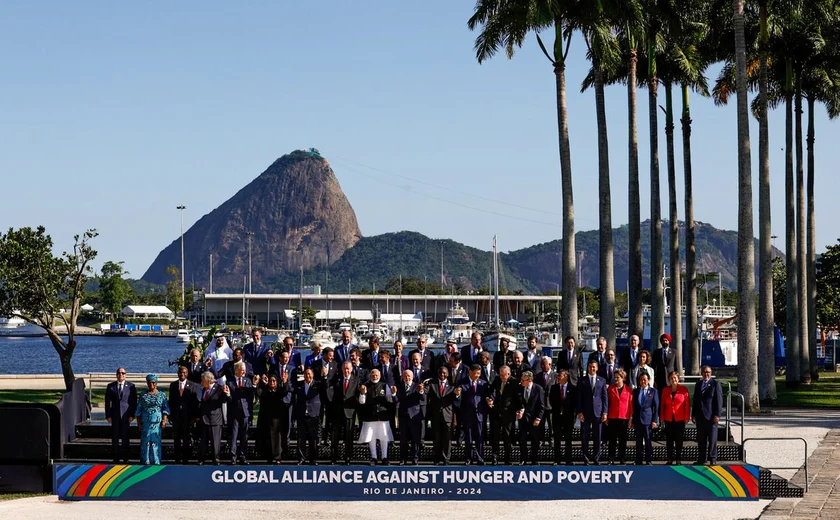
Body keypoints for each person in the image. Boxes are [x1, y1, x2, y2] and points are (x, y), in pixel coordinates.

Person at [358, 369, 394, 465]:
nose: (375, 376)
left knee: (384, 437)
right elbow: (362, 402)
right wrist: (362, 393)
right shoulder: (365, 385)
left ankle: (384, 457)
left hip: (382, 415)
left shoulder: (384, 385)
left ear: (380, 375)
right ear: (370, 376)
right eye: (373, 375)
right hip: (370, 415)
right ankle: (374, 457)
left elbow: (389, 400)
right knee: (371, 437)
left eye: (377, 375)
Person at [327, 361, 360, 464]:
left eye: (348, 369)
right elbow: (330, 392)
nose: (346, 371)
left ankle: (348, 457)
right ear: (342, 369)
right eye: (344, 368)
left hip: (349, 412)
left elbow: (358, 395)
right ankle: (334, 457)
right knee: (335, 436)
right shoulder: (337, 379)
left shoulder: (356, 380)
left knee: (348, 436)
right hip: (337, 411)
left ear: (351, 369)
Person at [577, 360, 608, 465]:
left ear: (597, 368)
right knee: (585, 436)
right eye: (590, 367)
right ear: (588, 368)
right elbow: (579, 398)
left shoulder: (602, 380)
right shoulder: (582, 380)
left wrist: (605, 412)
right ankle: (585, 458)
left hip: (598, 413)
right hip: (585, 413)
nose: (592, 369)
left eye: (594, 367)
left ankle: (596, 458)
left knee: (597, 436)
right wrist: (580, 412)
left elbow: (604, 398)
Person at [456, 365, 489, 465]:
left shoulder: (483, 383)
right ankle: (468, 458)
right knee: (468, 438)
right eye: (476, 373)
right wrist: (457, 395)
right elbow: (458, 400)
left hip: (479, 415)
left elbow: (486, 397)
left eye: (479, 373)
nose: (477, 375)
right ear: (470, 372)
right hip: (467, 415)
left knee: (479, 437)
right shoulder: (462, 383)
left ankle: (480, 458)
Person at [255, 373, 291, 464]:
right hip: (266, 420)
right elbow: (258, 393)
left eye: (274, 381)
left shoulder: (279, 390)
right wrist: (258, 383)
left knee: (277, 439)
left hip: (277, 419)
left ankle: (278, 457)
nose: (272, 382)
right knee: (267, 439)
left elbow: (286, 391)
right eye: (270, 380)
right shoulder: (265, 390)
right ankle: (269, 457)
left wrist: (285, 382)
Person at [290, 368, 323, 465]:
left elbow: (326, 386)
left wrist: (324, 376)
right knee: (301, 438)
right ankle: (301, 458)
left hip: (313, 414)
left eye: (309, 374)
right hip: (301, 415)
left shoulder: (318, 384)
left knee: (313, 439)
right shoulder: (299, 385)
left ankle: (313, 459)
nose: (307, 376)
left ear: (312, 374)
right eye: (305, 374)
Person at [196, 371, 230, 465]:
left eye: (202, 380)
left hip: (215, 420)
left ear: (208, 380)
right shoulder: (203, 390)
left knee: (215, 442)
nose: (201, 382)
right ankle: (202, 459)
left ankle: (216, 459)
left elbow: (225, 399)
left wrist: (227, 394)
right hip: (204, 420)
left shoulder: (219, 388)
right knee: (203, 442)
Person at [226, 361, 257, 465]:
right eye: (241, 370)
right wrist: (228, 394)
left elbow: (251, 394)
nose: (244, 371)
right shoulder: (229, 382)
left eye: (244, 370)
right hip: (234, 412)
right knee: (234, 435)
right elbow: (229, 399)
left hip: (245, 412)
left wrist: (254, 385)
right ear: (236, 370)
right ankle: (233, 456)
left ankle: (243, 456)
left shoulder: (248, 381)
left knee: (244, 435)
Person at [692, 365, 723, 465]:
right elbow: (695, 400)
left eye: (708, 372)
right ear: (701, 373)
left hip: (711, 416)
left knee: (712, 439)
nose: (706, 374)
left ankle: (712, 459)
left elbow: (719, 401)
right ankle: (701, 459)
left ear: (711, 373)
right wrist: (693, 414)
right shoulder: (698, 384)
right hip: (700, 416)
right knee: (701, 439)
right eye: (704, 372)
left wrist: (717, 414)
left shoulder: (715, 384)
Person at [394, 369, 426, 465]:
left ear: (412, 377)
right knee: (403, 439)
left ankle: (415, 458)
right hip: (403, 416)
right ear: (403, 377)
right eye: (405, 376)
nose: (407, 378)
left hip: (414, 416)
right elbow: (396, 400)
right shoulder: (399, 387)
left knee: (415, 439)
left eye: (409, 376)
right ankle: (403, 459)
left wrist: (421, 391)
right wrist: (393, 394)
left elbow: (423, 398)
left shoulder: (417, 386)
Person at [487, 365, 518, 464]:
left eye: (503, 375)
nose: (501, 377)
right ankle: (494, 457)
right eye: (500, 375)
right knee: (495, 436)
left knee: (507, 436)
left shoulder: (514, 382)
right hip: (496, 411)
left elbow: (517, 397)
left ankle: (507, 458)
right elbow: (491, 391)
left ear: (508, 374)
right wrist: (489, 398)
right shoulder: (497, 379)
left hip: (508, 413)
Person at [105, 367, 137, 463]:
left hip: (126, 416)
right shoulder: (111, 386)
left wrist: (132, 415)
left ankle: (125, 459)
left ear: (125, 375)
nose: (121, 375)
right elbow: (107, 402)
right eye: (119, 373)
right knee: (115, 438)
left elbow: (133, 402)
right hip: (114, 416)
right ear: (116, 375)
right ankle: (116, 459)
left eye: (123, 373)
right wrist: (108, 415)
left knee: (125, 438)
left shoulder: (131, 386)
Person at [136, 374, 169, 465]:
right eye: (149, 383)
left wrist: (164, 421)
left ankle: (156, 461)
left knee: (155, 442)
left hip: (157, 423)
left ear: (156, 383)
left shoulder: (161, 395)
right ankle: (145, 460)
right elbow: (139, 409)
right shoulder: (143, 395)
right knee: (146, 442)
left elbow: (165, 409)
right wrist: (138, 423)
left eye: (153, 382)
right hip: (146, 422)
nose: (151, 384)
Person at [428, 366, 458, 465]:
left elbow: (456, 402)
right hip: (436, 416)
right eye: (440, 373)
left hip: (448, 416)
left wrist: (457, 395)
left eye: (444, 373)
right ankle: (436, 459)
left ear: (448, 374)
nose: (442, 375)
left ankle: (446, 459)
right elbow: (426, 394)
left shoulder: (453, 386)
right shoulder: (432, 385)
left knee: (447, 439)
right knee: (436, 439)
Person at [169, 365, 198, 464]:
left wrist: (194, 416)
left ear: (187, 374)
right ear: (178, 373)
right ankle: (177, 459)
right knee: (176, 438)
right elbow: (171, 402)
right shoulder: (173, 385)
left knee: (186, 439)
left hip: (187, 417)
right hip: (176, 417)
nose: (182, 374)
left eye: (184, 372)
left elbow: (195, 402)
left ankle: (185, 459)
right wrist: (170, 416)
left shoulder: (193, 385)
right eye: (181, 372)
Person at [661, 370, 691, 465]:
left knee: (679, 440)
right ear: (669, 379)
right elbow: (662, 405)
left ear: (678, 379)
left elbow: (687, 404)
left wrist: (687, 417)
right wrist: (661, 417)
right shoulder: (665, 390)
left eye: (675, 378)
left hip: (680, 418)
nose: (673, 380)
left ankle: (678, 459)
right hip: (668, 418)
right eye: (671, 378)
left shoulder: (683, 389)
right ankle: (670, 459)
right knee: (669, 440)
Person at [517, 371, 545, 465]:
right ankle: (523, 459)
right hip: (524, 419)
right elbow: (519, 403)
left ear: (529, 380)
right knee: (522, 440)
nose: (521, 382)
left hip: (534, 419)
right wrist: (519, 411)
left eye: (523, 380)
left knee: (535, 440)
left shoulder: (538, 389)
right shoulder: (521, 388)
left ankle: (534, 459)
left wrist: (538, 418)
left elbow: (542, 405)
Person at [549, 369, 576, 465]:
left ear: (566, 377)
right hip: (557, 417)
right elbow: (551, 400)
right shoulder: (554, 388)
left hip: (568, 418)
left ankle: (568, 459)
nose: (558, 377)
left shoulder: (572, 388)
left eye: (560, 375)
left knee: (568, 440)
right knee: (557, 439)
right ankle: (557, 459)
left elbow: (574, 404)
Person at [606, 369, 633, 465]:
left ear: (623, 378)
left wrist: (630, 419)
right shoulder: (610, 389)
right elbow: (607, 403)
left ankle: (622, 458)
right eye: (615, 377)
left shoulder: (629, 390)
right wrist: (607, 417)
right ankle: (611, 458)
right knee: (612, 440)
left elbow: (630, 405)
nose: (616, 379)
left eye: (618, 377)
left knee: (622, 440)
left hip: (624, 418)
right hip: (613, 417)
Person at [631, 372, 659, 465]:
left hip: (648, 420)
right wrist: (632, 419)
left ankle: (648, 459)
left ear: (648, 380)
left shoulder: (653, 391)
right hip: (638, 420)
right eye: (641, 380)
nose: (643, 381)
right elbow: (634, 407)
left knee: (648, 440)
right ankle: (638, 460)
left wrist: (655, 420)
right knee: (638, 441)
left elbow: (656, 406)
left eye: (645, 380)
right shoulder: (635, 391)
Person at [533, 356, 555, 443]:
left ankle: (551, 439)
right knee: (541, 424)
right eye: (541, 364)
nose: (542, 366)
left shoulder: (555, 376)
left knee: (551, 424)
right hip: (541, 405)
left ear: (549, 364)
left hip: (551, 405)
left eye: (544, 364)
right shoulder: (538, 377)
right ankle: (541, 439)